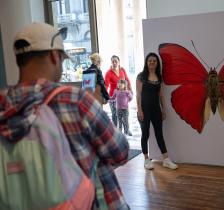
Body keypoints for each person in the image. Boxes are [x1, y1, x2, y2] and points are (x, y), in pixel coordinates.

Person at [0, 22, 130, 210]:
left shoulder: (3, 103)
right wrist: (96, 108)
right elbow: (120, 153)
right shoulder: (74, 100)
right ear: (54, 56)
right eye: (62, 59)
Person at [136, 52, 178, 170]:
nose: (152, 62)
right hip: (144, 109)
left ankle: (166, 159)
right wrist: (139, 110)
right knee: (145, 134)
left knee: (159, 134)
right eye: (150, 61)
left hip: (156, 109)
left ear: (157, 63)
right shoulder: (141, 76)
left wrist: (163, 109)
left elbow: (161, 96)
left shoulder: (159, 77)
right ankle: (146, 159)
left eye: (154, 61)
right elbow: (138, 95)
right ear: (146, 62)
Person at [105, 55, 132, 126]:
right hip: (113, 97)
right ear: (111, 62)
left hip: (123, 97)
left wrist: (130, 89)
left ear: (119, 62)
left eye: (116, 61)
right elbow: (106, 85)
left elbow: (127, 79)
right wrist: (105, 96)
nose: (114, 63)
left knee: (124, 114)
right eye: (113, 61)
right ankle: (115, 130)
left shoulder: (122, 70)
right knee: (115, 114)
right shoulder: (108, 73)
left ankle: (126, 129)